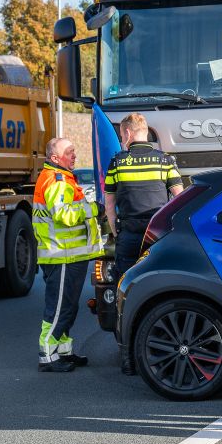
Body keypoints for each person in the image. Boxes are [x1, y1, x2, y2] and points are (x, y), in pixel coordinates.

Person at [33, 138, 105, 372]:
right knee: (58, 308)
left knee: (68, 307)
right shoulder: (57, 180)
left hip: (69, 255)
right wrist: (94, 208)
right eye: (69, 152)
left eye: (74, 151)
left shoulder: (64, 179)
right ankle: (48, 355)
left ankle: (63, 351)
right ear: (55, 158)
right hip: (61, 255)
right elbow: (63, 214)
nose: (74, 156)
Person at [104, 112, 184, 278]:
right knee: (160, 281)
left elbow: (109, 205)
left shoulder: (117, 163)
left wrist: (117, 234)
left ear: (128, 133)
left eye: (121, 136)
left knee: (126, 284)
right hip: (157, 235)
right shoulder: (165, 160)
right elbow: (181, 200)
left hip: (129, 235)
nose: (121, 141)